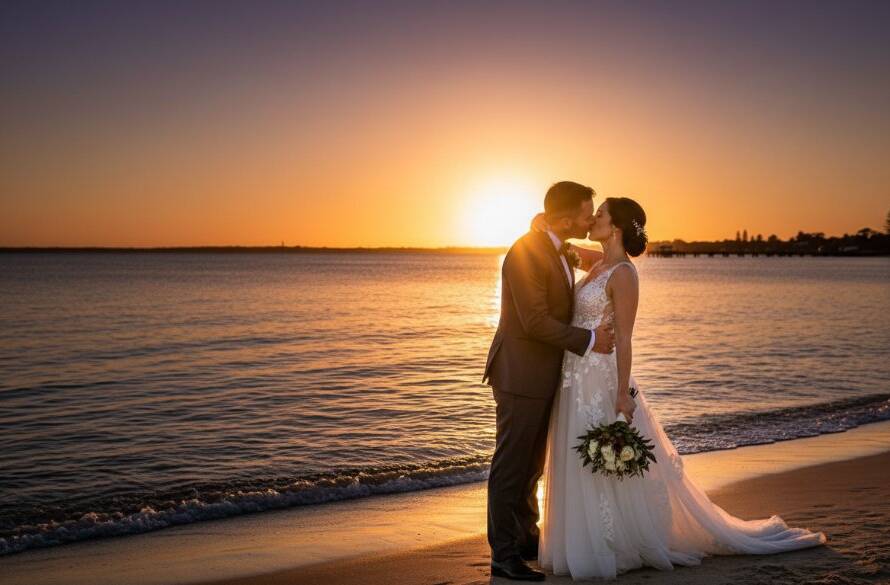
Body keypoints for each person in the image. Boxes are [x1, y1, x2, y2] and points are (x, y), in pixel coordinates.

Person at [536, 196, 827, 580]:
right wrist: (545, 225)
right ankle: (583, 540)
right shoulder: (600, 262)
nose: (592, 218)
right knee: (581, 457)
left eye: (600, 214)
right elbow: (565, 247)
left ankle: (611, 542)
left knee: (604, 461)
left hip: (601, 379)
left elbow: (624, 338)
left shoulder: (624, 274)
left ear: (617, 226)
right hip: (575, 377)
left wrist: (622, 393)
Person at [483, 181, 616, 581]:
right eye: (586, 213)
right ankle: (502, 556)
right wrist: (591, 340)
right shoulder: (527, 252)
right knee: (511, 466)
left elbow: (585, 256)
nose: (591, 218)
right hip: (520, 374)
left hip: (542, 375)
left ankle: (526, 539)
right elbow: (535, 321)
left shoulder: (556, 244)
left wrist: (613, 252)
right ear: (564, 218)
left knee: (531, 467)